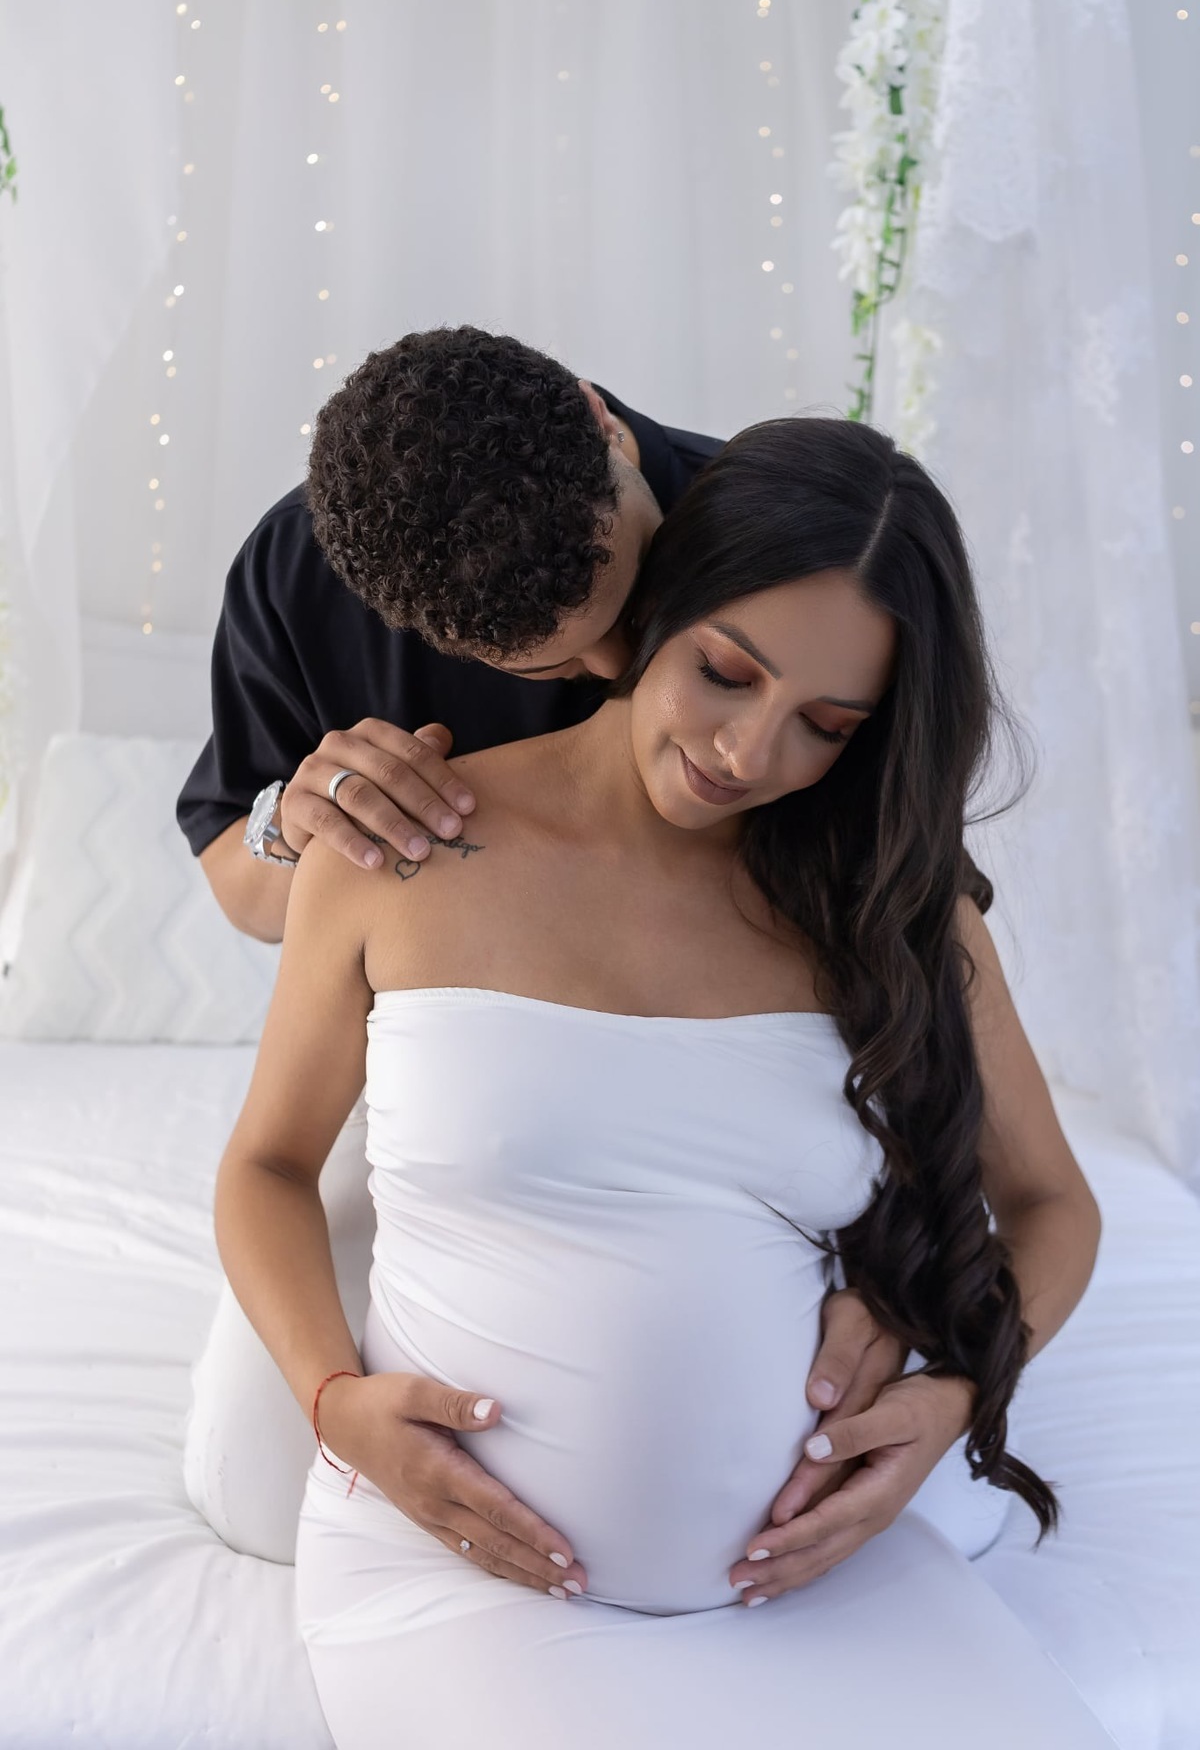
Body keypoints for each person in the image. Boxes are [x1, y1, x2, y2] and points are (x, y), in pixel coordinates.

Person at [212, 415, 1113, 1748]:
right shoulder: (402, 841)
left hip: (832, 1579)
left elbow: (1053, 1207)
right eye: (725, 673)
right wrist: (333, 1404)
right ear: (646, 618)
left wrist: (959, 1394)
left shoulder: (888, 909)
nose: (752, 754)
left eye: (825, 723)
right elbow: (268, 1168)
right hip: (462, 1579)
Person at [180, 328, 921, 1568]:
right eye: (543, 668)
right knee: (258, 1496)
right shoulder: (296, 570)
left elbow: (899, 909)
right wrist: (295, 834)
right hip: (458, 1082)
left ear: (609, 431)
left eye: (627, 618)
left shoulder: (772, 533)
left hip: (748, 1064)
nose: (607, 676)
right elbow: (237, 884)